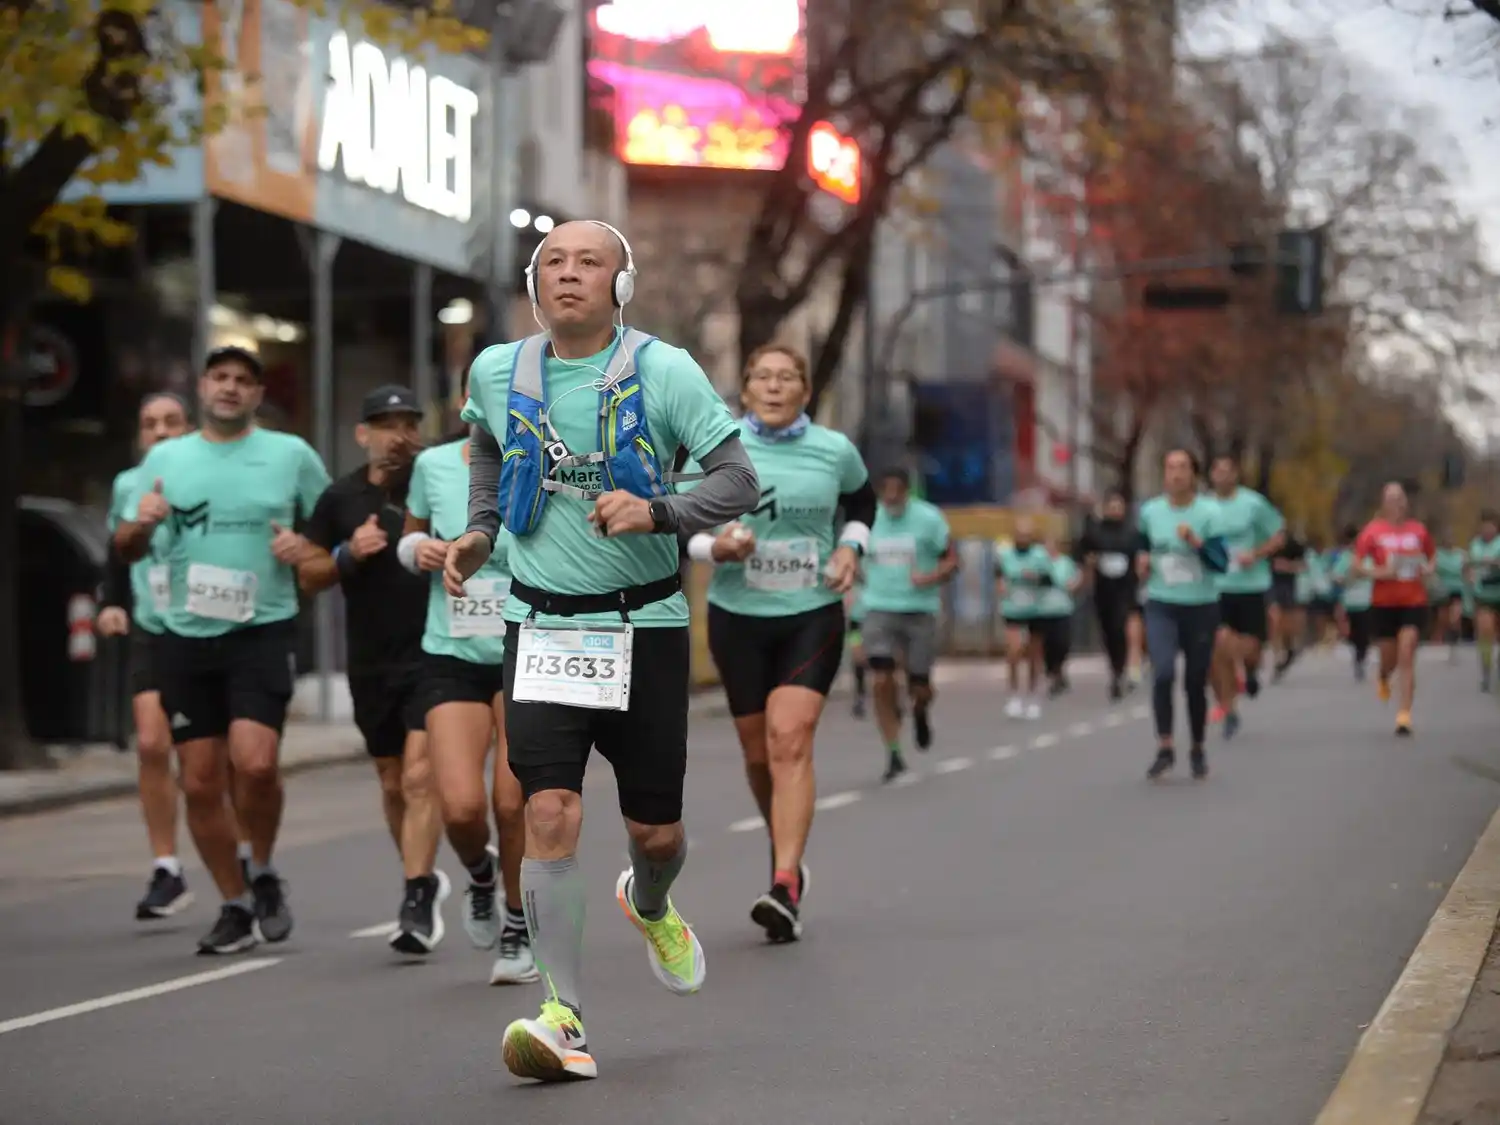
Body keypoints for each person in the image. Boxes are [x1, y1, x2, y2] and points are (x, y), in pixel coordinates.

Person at [447, 220, 759, 1081]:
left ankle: (650, 900)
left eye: (591, 262)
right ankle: (563, 1016)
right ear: (532, 281)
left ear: (621, 285)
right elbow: (486, 446)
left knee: (655, 832)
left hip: (644, 625)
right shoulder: (496, 370)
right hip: (540, 624)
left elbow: (739, 478)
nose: (569, 274)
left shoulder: (664, 370)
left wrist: (658, 511)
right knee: (548, 810)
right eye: (553, 261)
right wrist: (480, 530)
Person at [115, 346, 330, 954]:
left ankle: (261, 864)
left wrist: (306, 550)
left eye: (243, 380)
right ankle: (235, 903)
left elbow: (328, 535)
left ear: (257, 394)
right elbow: (125, 546)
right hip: (183, 637)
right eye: (220, 377)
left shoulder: (291, 455)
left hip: (262, 630)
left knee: (256, 763)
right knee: (201, 780)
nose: (230, 387)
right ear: (203, 387)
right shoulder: (166, 459)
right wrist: (142, 523)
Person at [684, 343, 872, 943]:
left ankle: (785, 882)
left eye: (786, 377)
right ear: (744, 390)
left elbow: (861, 502)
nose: (773, 386)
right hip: (737, 616)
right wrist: (717, 548)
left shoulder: (834, 450)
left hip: (810, 613)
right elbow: (679, 526)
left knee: (789, 740)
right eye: (761, 377)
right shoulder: (717, 449)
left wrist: (851, 547)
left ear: (805, 391)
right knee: (759, 755)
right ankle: (783, 845)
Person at [297, 386, 448, 955]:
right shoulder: (340, 498)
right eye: (385, 424)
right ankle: (419, 871)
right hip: (370, 660)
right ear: (363, 434)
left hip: (434, 652)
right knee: (391, 780)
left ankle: (416, 894)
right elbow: (308, 575)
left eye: (408, 423)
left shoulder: (435, 484)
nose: (397, 435)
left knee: (419, 776)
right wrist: (347, 554)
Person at [397, 375, 536, 984]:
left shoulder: (543, 461)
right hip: (452, 651)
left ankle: (517, 924)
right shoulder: (432, 465)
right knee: (459, 807)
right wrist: (420, 551)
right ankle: (481, 873)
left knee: (512, 800)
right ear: (466, 403)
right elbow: (409, 537)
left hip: (527, 645)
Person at [99, 391, 249, 920]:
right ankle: (166, 866)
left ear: (188, 428)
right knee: (150, 742)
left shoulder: (212, 476)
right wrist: (112, 602)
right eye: (149, 423)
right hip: (153, 625)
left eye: (170, 422)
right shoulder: (128, 485)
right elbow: (118, 550)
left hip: (212, 626)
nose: (160, 432)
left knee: (220, 757)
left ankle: (243, 851)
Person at [861, 468, 958, 781]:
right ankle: (893, 752)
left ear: (907, 492)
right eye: (886, 491)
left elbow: (952, 560)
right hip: (878, 607)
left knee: (920, 685)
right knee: (880, 678)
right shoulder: (868, 518)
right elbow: (852, 557)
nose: (891, 497)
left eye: (897, 491)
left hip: (919, 610)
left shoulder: (929, 519)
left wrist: (931, 577)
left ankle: (920, 710)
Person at [1136, 450, 1227, 780]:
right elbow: (1142, 546)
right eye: (1170, 467)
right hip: (1161, 603)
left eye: (1183, 468)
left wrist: (1197, 543)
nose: (1176, 474)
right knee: (1162, 672)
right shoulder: (1150, 512)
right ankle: (1165, 746)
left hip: (1200, 605)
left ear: (1193, 474)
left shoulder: (1210, 512)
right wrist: (1142, 562)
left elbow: (1221, 562)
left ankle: (1198, 747)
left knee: (1194, 680)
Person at [1205, 455, 1284, 738]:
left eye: (1227, 471)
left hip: (1251, 586)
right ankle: (1230, 709)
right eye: (1217, 471)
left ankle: (1250, 671)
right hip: (1217, 587)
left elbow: (1278, 536)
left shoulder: (1253, 504)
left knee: (1250, 649)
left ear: (1235, 475)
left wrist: (1257, 554)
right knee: (1218, 645)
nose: (1222, 476)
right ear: (1211, 475)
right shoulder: (1204, 507)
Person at [1352, 481, 1434, 736]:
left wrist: (1427, 568)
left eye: (1400, 498)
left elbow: (1431, 557)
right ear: (1383, 503)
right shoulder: (1373, 531)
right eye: (1391, 499)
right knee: (1389, 659)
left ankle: (1404, 715)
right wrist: (1379, 572)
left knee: (1407, 651)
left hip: (1413, 600)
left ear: (1406, 502)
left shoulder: (1418, 530)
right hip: (1384, 603)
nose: (1396, 503)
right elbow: (1357, 565)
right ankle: (1383, 676)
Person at [1074, 490, 1144, 700]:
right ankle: (1116, 670)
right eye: (1111, 506)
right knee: (1109, 631)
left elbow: (1141, 555)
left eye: (1118, 506)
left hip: (1127, 587)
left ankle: (1129, 666)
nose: (1115, 510)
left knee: (1124, 625)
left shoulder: (1132, 533)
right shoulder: (1095, 532)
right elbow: (1080, 552)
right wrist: (1088, 561)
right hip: (1104, 589)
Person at [996, 516, 1051, 720]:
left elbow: (1049, 579)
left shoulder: (1039, 555)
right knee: (1014, 651)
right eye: (1019, 535)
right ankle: (1014, 694)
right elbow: (999, 576)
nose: (1023, 538)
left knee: (1034, 654)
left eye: (1026, 535)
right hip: (1012, 608)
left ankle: (1033, 695)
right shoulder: (1005, 554)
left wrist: (1035, 577)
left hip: (1035, 609)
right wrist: (1001, 586)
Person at [1036, 533, 1081, 697]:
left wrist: (1072, 585)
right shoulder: (1038, 564)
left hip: (1062, 608)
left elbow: (1076, 579)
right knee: (1048, 644)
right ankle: (1053, 673)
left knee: (1062, 643)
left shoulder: (1065, 562)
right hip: (1042, 610)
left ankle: (1059, 669)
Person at [1329, 525, 1373, 681]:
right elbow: (1336, 576)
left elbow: (1376, 573)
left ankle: (1361, 658)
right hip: (1350, 601)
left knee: (1365, 633)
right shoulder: (1346, 558)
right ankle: (1357, 653)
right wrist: (1348, 577)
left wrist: (1365, 574)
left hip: (1367, 600)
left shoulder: (1369, 557)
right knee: (1352, 633)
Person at [1268, 533, 1308, 681]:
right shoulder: (1264, 542)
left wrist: (1288, 566)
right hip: (1269, 584)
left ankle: (1289, 649)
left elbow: (1304, 566)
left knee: (1287, 625)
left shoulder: (1294, 545)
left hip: (1287, 586)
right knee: (1274, 618)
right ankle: (1277, 656)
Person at [1467, 512, 1500, 691]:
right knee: (1485, 632)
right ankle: (1486, 671)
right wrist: (1470, 574)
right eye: (1484, 525)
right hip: (1483, 595)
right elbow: (1469, 566)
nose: (1487, 529)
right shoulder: (1475, 545)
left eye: (1491, 525)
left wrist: (1494, 563)